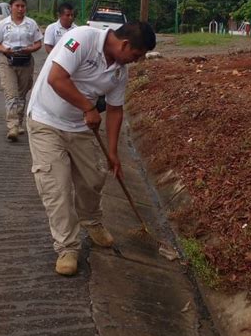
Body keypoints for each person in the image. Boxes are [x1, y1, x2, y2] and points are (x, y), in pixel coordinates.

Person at [27, 21, 156, 277]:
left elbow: (116, 110)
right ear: (125, 44)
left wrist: (113, 152)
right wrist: (88, 108)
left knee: (93, 178)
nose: (135, 61)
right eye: (136, 55)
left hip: (80, 128)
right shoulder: (81, 40)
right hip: (46, 121)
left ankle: (91, 220)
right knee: (57, 187)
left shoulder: (119, 71)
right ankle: (67, 247)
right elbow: (56, 78)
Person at [0, 0, 43, 141]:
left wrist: (30, 49)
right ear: (11, 7)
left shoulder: (31, 24)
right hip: (8, 61)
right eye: (17, 6)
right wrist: (5, 49)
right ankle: (12, 126)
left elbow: (38, 43)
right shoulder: (3, 24)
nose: (20, 9)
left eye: (23, 6)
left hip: (25, 62)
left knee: (21, 94)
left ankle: (19, 122)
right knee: (11, 94)